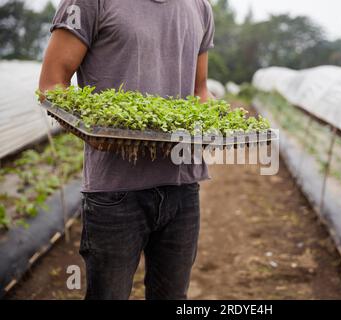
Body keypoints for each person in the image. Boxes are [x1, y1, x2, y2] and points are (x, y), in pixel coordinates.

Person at [38, 0, 215, 300]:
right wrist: (96, 128)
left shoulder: (200, 6)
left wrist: (214, 124)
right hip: (115, 194)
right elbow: (52, 84)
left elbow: (200, 90)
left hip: (182, 189)